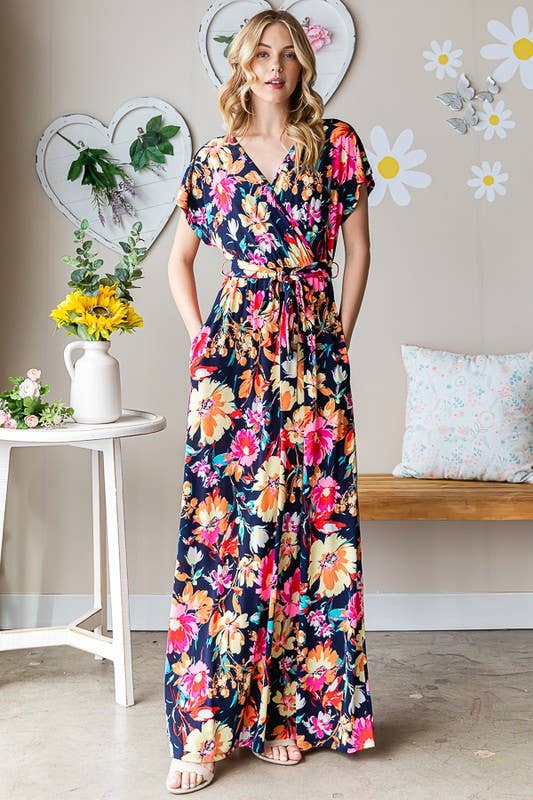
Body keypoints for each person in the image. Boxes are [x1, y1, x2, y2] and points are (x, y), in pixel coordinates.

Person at [164, 8, 376, 794]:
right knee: (225, 534)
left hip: (313, 355)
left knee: (308, 527)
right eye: (260, 53)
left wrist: (338, 336)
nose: (274, 66)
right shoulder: (215, 160)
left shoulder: (336, 143)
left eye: (287, 54)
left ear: (302, 67)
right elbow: (180, 261)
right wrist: (202, 344)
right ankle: (206, 725)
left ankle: (286, 718)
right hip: (234, 361)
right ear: (241, 65)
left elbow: (358, 249)